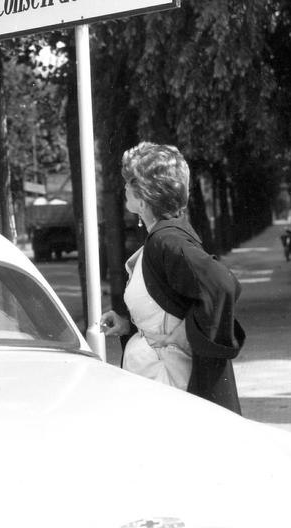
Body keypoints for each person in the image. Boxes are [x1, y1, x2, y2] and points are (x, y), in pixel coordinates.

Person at [100, 141, 245, 413]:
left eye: (129, 181)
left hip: (170, 386)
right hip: (161, 381)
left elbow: (222, 284)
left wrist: (184, 335)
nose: (124, 188)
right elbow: (173, 306)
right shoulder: (166, 235)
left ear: (144, 196)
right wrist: (129, 325)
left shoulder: (166, 239)